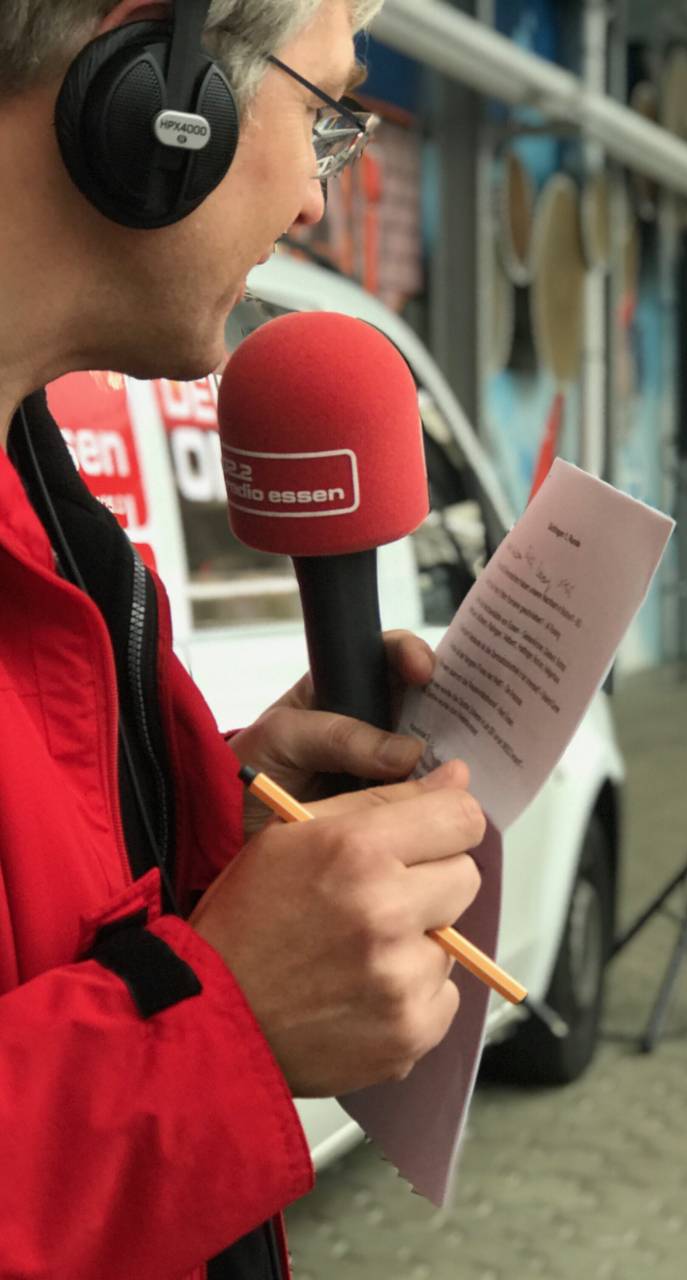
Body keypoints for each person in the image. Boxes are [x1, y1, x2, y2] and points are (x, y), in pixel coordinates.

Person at [0, 3, 487, 1277]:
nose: (319, 201)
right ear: (157, 89)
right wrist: (216, 1020)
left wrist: (224, 829)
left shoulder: (43, 510)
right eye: (324, 114)